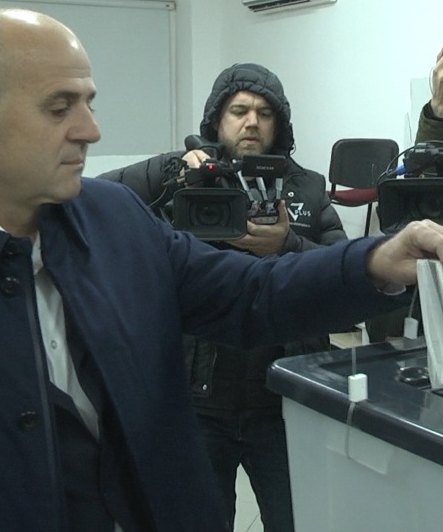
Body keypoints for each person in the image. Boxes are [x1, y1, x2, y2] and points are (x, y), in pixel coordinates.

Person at [0, 9, 443, 532]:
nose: (90, 130)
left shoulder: (117, 221)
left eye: (88, 103)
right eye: (60, 107)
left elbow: (251, 294)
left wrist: (374, 258)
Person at [98, 62, 344, 532]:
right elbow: (98, 199)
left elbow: (341, 277)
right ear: (216, 119)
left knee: (296, 521)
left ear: (280, 125)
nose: (252, 122)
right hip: (199, 398)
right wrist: (171, 169)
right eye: (239, 111)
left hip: (286, 397)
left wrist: (288, 245)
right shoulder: (185, 178)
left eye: (265, 113)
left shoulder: (308, 188)